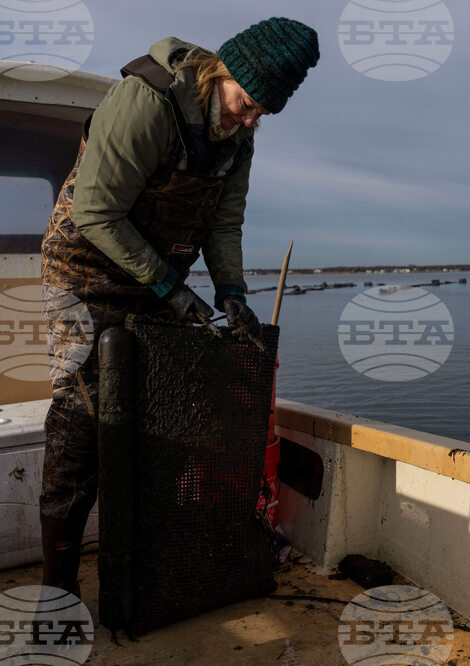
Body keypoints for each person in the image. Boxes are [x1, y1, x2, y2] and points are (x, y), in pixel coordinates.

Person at [39, 18, 319, 596]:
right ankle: (57, 589)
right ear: (223, 72)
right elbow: (95, 212)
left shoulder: (237, 138)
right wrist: (169, 285)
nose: (250, 121)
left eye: (262, 114)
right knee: (84, 425)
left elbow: (224, 223)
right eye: (246, 104)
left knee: (166, 418)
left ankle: (148, 567)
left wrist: (232, 292)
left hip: (157, 277)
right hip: (88, 270)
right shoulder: (147, 103)